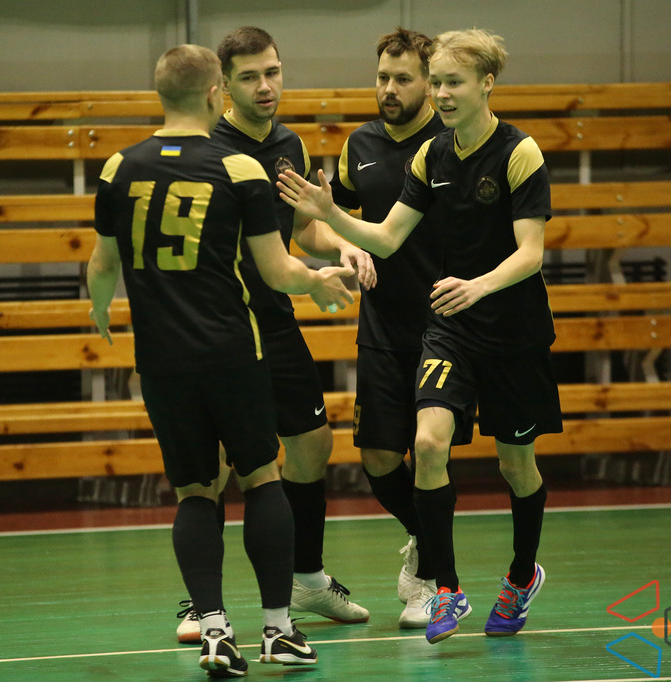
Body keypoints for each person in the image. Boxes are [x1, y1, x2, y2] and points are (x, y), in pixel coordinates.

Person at [278, 29, 562, 645]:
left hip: (513, 333)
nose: (442, 93)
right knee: (428, 445)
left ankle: (521, 575)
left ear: (487, 83)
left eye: (452, 82)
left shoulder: (519, 152)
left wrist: (478, 286)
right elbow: (385, 238)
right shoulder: (430, 158)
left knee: (517, 466)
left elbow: (531, 253)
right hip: (450, 330)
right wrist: (330, 213)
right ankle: (447, 588)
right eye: (437, 83)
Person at [88, 44, 354, 675]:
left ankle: (213, 631)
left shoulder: (118, 167)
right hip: (234, 350)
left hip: (161, 359)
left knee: (194, 491)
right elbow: (277, 269)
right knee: (261, 477)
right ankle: (278, 631)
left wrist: (100, 313)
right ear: (216, 93)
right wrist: (317, 281)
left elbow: (102, 266)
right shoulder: (238, 167)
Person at [207, 25, 374, 627]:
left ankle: (307, 579)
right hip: (219, 327)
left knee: (312, 444)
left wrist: (342, 243)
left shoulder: (291, 147)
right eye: (250, 77)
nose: (265, 86)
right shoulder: (208, 147)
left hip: (274, 321)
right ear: (224, 85)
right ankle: (204, 601)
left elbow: (303, 227)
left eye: (272, 72)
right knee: (218, 463)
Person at [327, 27, 472, 630]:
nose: (389, 89)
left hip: (448, 327)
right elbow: (323, 221)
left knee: (431, 451)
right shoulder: (358, 145)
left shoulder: (454, 144)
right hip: (382, 326)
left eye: (403, 79)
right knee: (379, 459)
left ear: (429, 84)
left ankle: (433, 582)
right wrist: (342, 246)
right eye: (383, 77)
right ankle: (426, 537)